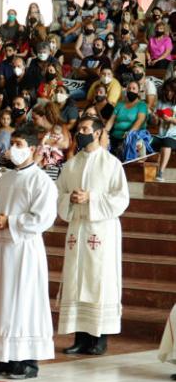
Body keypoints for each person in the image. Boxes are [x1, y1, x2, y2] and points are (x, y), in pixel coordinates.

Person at [0, 127, 58, 380]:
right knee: (1, 302)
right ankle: (3, 357)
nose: (13, 148)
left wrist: (11, 221)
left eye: (19, 143)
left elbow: (43, 217)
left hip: (25, 249)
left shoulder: (41, 180)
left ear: (32, 149)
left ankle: (26, 362)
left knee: (24, 303)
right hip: (3, 248)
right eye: (12, 143)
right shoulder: (5, 178)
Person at [56, 116, 129, 355]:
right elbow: (59, 194)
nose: (80, 133)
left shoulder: (111, 164)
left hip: (102, 230)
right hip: (78, 228)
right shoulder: (71, 164)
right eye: (79, 129)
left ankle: (99, 338)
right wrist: (71, 199)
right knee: (76, 280)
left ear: (97, 133)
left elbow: (121, 199)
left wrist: (92, 198)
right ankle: (80, 338)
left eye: (85, 129)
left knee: (99, 280)